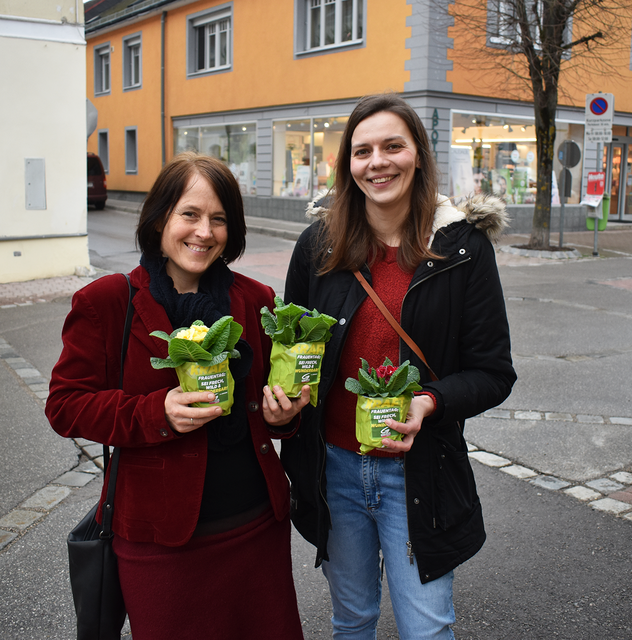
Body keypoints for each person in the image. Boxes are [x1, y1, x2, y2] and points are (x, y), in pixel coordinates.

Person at [46, 152, 309, 640]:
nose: (204, 232)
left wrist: (283, 415)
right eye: (190, 214)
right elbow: (65, 404)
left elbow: (273, 408)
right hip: (160, 541)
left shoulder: (255, 300)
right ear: (160, 217)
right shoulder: (109, 302)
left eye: (219, 219)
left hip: (256, 527)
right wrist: (155, 412)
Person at [281, 93, 516, 639]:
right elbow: (292, 351)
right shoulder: (318, 246)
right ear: (348, 166)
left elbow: (493, 371)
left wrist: (429, 400)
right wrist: (282, 401)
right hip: (333, 466)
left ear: (418, 155)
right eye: (362, 151)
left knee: (427, 627)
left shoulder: (463, 249)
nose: (377, 162)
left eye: (393, 146)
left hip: (419, 471)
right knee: (353, 619)